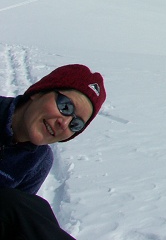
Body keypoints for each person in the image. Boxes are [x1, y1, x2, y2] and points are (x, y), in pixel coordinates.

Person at [1, 64, 106, 239]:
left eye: (76, 124)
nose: (64, 123)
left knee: (31, 207)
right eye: (65, 107)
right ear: (38, 92)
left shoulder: (39, 161)